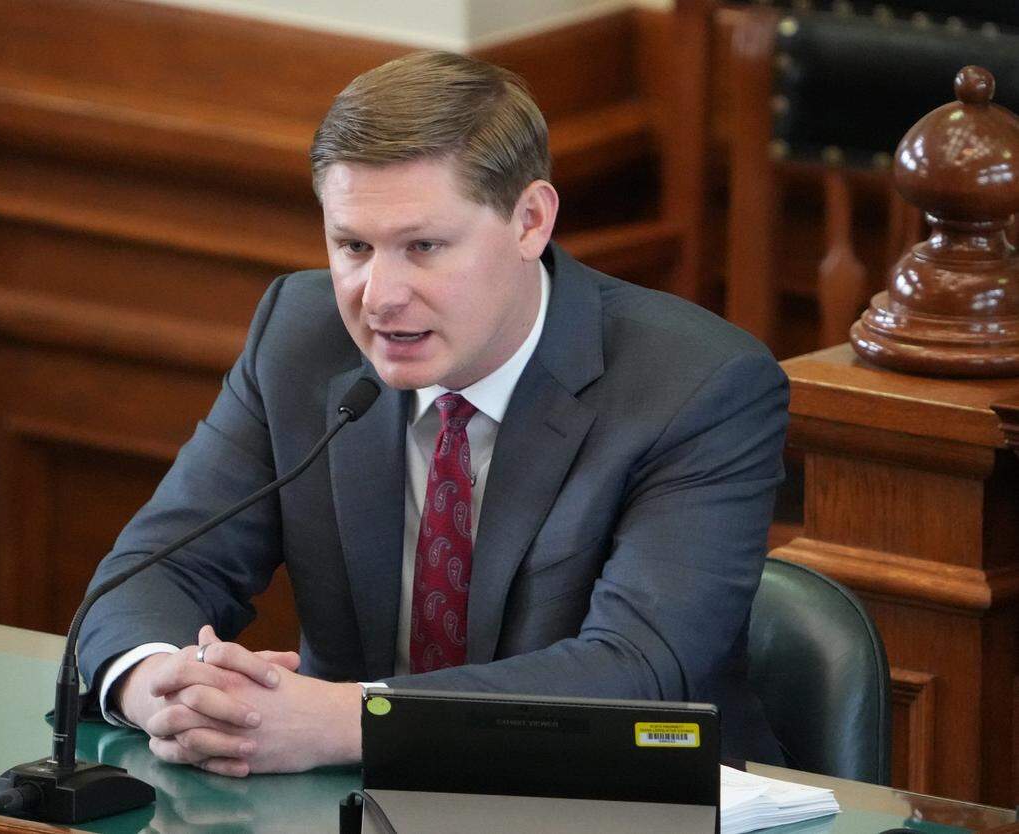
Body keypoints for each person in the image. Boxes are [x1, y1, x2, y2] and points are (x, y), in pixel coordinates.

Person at [78, 50, 789, 777]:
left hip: (615, 802)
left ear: (530, 222)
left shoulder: (696, 386)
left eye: (423, 247)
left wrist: (350, 718)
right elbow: (149, 570)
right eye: (352, 246)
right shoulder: (301, 334)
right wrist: (160, 688)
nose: (378, 296)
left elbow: (638, 675)